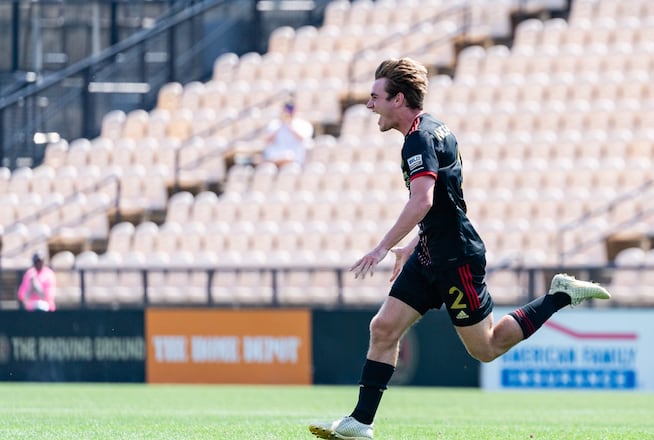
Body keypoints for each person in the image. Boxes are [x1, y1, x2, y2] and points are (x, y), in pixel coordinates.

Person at [308, 58, 612, 440]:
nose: (370, 106)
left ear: (398, 99)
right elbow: (445, 203)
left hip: (456, 259)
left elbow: (423, 201)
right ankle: (361, 422)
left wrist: (382, 247)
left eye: (375, 97)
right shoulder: (436, 129)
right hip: (429, 252)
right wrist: (411, 244)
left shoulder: (419, 139)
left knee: (486, 348)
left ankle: (558, 295)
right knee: (383, 327)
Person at [257, 100, 314, 168]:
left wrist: (290, 126)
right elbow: (268, 141)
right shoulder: (275, 124)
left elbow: (303, 139)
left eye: (290, 110)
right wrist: (281, 124)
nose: (288, 113)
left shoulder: (303, 124)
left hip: (295, 158)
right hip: (275, 158)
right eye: (286, 110)